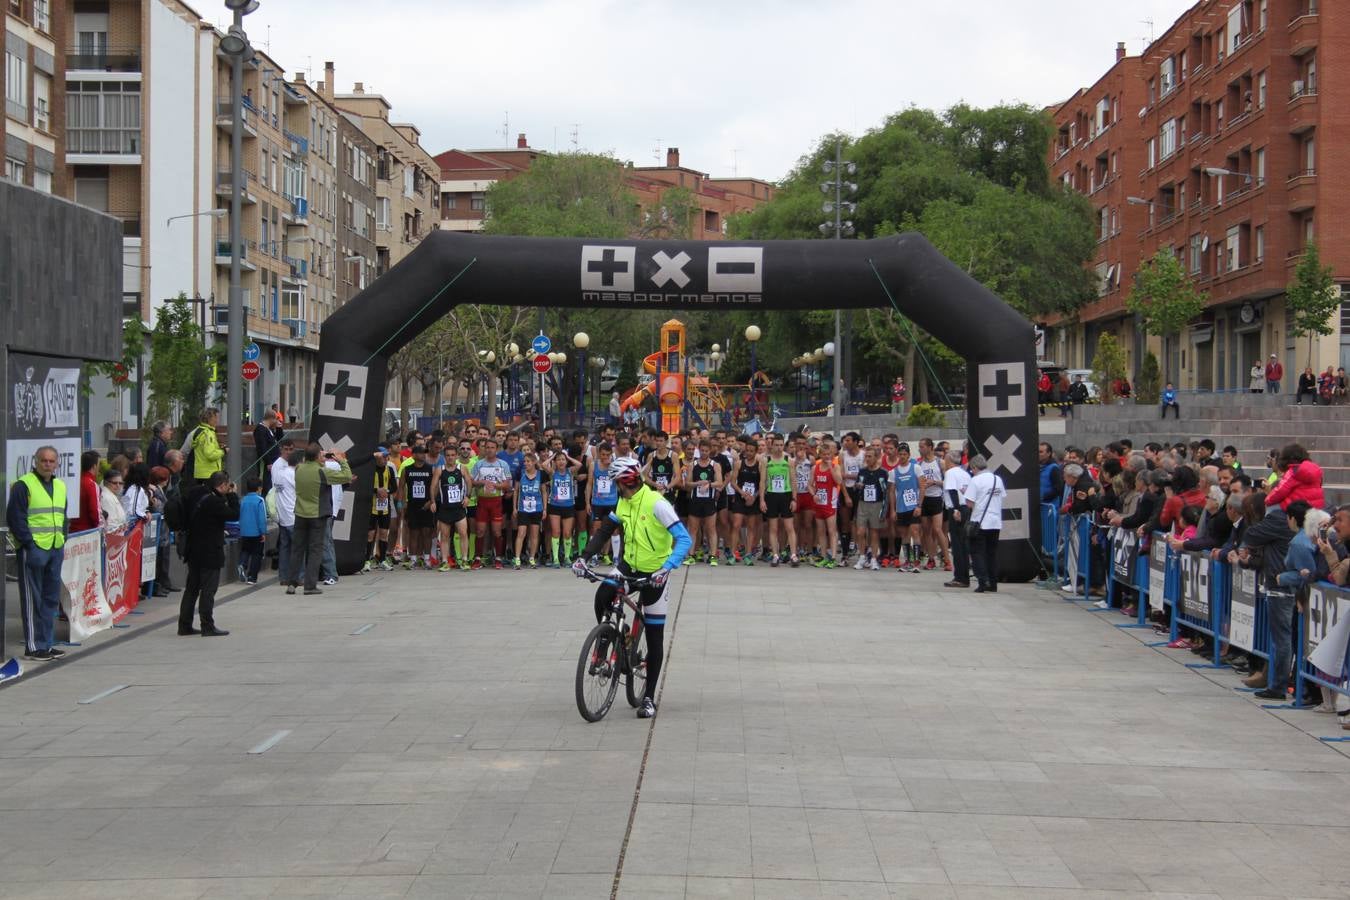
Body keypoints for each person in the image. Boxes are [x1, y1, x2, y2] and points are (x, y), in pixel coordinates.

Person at [574, 457, 692, 719]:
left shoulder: (656, 503)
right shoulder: (624, 501)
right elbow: (605, 530)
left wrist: (667, 568)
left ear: (623, 481)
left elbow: (684, 538)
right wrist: (584, 557)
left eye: (616, 481)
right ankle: (608, 639)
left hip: (655, 572)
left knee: (654, 634)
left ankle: (648, 698)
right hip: (629, 566)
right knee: (603, 594)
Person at [6, 447, 69, 662]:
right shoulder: (24, 485)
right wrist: (28, 544)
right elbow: (15, 517)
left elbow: (63, 516)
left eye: (52, 461)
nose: (48, 464)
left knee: (50, 600)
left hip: (54, 548)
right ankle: (34, 647)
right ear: (36, 461)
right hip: (33, 550)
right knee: (33, 599)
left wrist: (63, 538)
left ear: (57, 463)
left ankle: (46, 644)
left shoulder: (60, 486)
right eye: (44, 460)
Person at [179, 472, 239, 636]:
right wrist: (233, 495)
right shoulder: (214, 502)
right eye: (227, 486)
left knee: (191, 588)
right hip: (210, 551)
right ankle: (207, 625)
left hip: (193, 549)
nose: (228, 488)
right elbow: (233, 514)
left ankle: (184, 624)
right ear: (221, 485)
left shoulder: (196, 493)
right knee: (208, 589)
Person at [289, 445, 352, 594]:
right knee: (315, 550)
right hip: (317, 515)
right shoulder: (322, 472)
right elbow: (347, 476)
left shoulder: (299, 469)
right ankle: (310, 586)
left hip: (300, 514)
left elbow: (305, 461)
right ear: (317, 457)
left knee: (297, 549)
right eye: (322, 455)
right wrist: (341, 460)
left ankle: (292, 583)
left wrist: (318, 456)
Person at [963, 455, 1006, 593]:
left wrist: (964, 492)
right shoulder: (997, 479)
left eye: (972, 469)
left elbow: (969, 503)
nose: (972, 471)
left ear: (975, 467)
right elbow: (1001, 496)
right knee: (991, 553)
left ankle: (983, 581)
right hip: (995, 521)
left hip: (980, 522)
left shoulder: (975, 480)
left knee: (977, 553)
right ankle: (993, 583)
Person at [471, 437, 514, 569]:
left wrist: (496, 486)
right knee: (480, 531)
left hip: (496, 502)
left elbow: (508, 484)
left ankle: (498, 558)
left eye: (492, 448)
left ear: (497, 449)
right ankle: (478, 558)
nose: (489, 450)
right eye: (487, 447)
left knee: (497, 531)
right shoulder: (479, 464)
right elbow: (472, 481)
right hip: (482, 502)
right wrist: (482, 482)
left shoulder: (503, 464)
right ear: (484, 449)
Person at [760, 433, 798, 567]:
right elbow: (762, 481)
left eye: (781, 445)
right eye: (776, 445)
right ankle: (775, 555)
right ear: (772, 445)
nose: (779, 448)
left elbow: (793, 481)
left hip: (786, 495)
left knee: (789, 527)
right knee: (773, 528)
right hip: (771, 495)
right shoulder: (766, 460)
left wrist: (794, 499)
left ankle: (793, 555)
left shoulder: (789, 460)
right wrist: (762, 500)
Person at [399, 445, 437, 570]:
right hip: (412, 505)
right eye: (420, 453)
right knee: (413, 533)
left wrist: (431, 501)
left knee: (427, 533)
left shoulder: (430, 469)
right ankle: (413, 559)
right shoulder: (407, 469)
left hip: (426, 505)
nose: (423, 455)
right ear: (414, 455)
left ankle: (427, 559)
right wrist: (401, 505)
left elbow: (435, 487)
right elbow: (401, 489)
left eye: (424, 453)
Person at [853, 446, 889, 571]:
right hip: (863, 504)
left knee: (874, 532)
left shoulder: (882, 473)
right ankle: (862, 557)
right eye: (866, 456)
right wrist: (857, 486)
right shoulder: (862, 471)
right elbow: (856, 486)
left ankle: (873, 558)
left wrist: (884, 510)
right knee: (860, 532)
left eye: (870, 456)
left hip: (876, 504)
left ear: (877, 457)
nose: (867, 459)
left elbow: (885, 493)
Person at [362, 447, 397, 573]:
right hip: (372, 507)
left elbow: (394, 487)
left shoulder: (389, 470)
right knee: (370, 534)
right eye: (384, 456)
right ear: (377, 457)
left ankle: (382, 560)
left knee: (384, 534)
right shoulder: (370, 470)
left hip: (385, 506)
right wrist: (377, 491)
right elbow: (364, 486)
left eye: (387, 456)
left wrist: (386, 491)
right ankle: (366, 560)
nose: (386, 459)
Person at [942, 450, 973, 587]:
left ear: (949, 461)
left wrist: (955, 509)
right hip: (966, 508)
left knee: (957, 545)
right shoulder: (965, 473)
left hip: (957, 509)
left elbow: (953, 491)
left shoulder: (950, 473)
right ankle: (964, 575)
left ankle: (960, 577)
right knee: (963, 544)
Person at [271, 445, 298, 583]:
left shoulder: (281, 470)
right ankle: (297, 577)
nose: (288, 452)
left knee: (285, 547)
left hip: (283, 514)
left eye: (290, 449)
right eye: (286, 449)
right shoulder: (280, 467)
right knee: (296, 548)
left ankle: (284, 577)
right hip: (291, 513)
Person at [237, 476, 267, 584]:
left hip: (244, 531)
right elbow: (262, 518)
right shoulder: (260, 500)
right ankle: (252, 577)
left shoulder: (243, 500)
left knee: (245, 550)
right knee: (257, 554)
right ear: (259, 488)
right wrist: (263, 532)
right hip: (256, 532)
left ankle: (242, 563)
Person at [187, 407, 225, 486]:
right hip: (209, 473)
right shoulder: (207, 433)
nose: (217, 421)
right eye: (216, 418)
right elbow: (210, 454)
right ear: (210, 418)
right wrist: (223, 451)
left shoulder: (199, 430)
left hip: (201, 473)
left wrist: (218, 448)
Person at [252, 409, 284, 490]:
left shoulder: (269, 429)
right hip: (267, 464)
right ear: (271, 419)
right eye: (276, 419)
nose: (276, 421)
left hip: (274, 462)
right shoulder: (260, 429)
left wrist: (279, 428)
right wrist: (268, 462)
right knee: (265, 484)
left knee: (272, 484)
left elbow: (278, 439)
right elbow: (261, 447)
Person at [71, 450, 102, 533]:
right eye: (99, 465)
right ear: (94, 466)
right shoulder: (91, 484)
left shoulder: (74, 482)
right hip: (87, 532)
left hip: (72, 530)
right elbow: (95, 513)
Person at [100, 468, 128, 533]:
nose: (118, 486)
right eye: (115, 483)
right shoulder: (106, 497)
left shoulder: (111, 495)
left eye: (120, 483)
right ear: (106, 482)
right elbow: (110, 524)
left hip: (118, 537)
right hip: (112, 538)